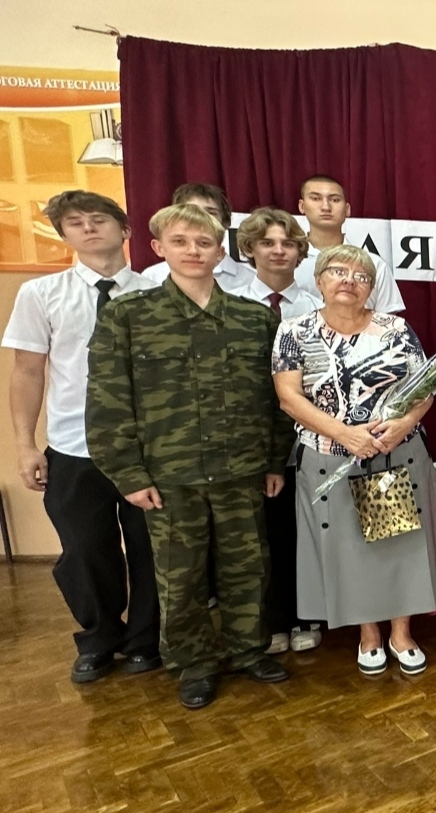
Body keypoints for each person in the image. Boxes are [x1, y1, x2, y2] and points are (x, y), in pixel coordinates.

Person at [86, 203, 293, 709]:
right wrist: (128, 473)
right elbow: (108, 401)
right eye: (180, 242)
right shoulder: (128, 315)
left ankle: (247, 650)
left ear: (221, 251)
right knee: (180, 577)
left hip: (242, 468)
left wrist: (274, 460)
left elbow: (276, 399)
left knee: (248, 569)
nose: (193, 251)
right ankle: (193, 664)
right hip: (169, 475)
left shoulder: (253, 319)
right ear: (159, 248)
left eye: (204, 243)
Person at [272, 244, 436, 678]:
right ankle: (368, 634)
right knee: (348, 550)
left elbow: (424, 388)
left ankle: (401, 633)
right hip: (329, 458)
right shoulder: (294, 331)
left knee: (397, 545)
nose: (349, 281)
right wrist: (345, 435)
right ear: (319, 280)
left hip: (393, 456)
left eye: (361, 276)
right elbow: (289, 398)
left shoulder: (395, 328)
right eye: (338, 271)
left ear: (372, 287)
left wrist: (403, 424)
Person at [4, 191, 160, 684]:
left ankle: (145, 640)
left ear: (125, 230)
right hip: (74, 445)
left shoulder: (156, 293)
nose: (89, 228)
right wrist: (25, 445)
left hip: (147, 447)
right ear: (64, 234)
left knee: (152, 548)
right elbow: (28, 372)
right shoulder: (41, 294)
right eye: (75, 223)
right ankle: (98, 638)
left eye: (98, 219)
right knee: (85, 551)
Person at [235, 207, 324, 655]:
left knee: (302, 534)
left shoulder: (316, 309)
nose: (278, 251)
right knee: (260, 538)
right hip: (250, 443)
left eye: (288, 243)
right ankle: (271, 621)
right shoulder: (229, 306)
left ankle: (307, 614)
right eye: (267, 242)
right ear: (249, 249)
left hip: (306, 442)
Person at [295, 174, 406, 314]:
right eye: (316, 198)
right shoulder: (287, 263)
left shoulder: (374, 265)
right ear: (302, 206)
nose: (326, 207)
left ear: (347, 209)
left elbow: (388, 323)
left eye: (335, 200)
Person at [140, 182, 255, 292]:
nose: (200, 219)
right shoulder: (153, 276)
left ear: (226, 222)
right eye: (191, 211)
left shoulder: (250, 279)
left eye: (210, 213)